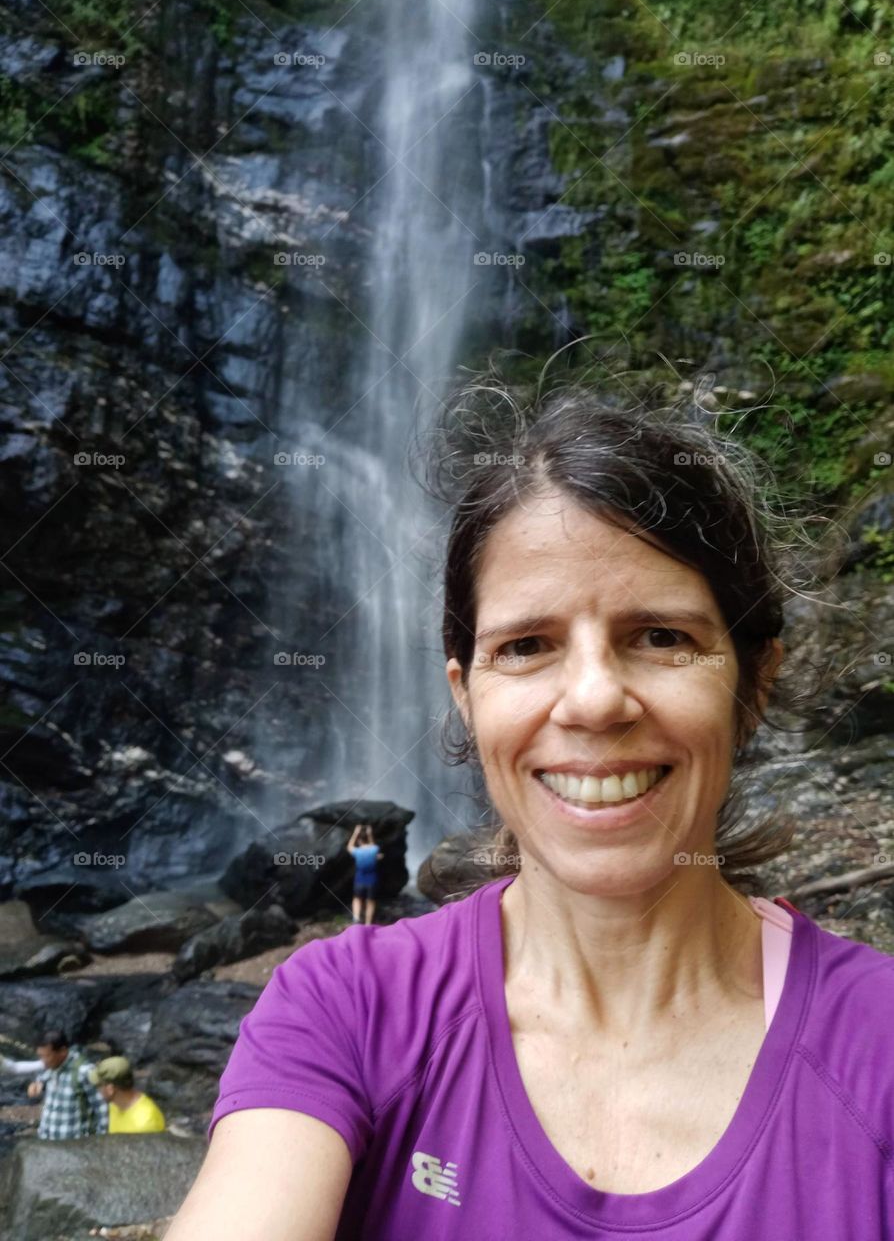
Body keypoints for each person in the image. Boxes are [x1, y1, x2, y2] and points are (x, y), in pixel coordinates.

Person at [164, 385, 894, 1240]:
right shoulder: (344, 1012)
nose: (593, 700)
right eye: (527, 646)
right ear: (465, 694)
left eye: (661, 636)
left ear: (755, 680)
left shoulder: (877, 1044)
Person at [24, 1028, 108, 1139]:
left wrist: (101, 1140)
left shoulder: (84, 1072)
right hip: (46, 1139)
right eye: (40, 1056)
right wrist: (37, 1084)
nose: (43, 1061)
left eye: (46, 1056)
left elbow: (102, 1109)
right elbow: (42, 1078)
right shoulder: (51, 1065)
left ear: (63, 1051)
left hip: (73, 1143)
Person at [88, 1055, 166, 1133]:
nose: (98, 1090)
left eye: (98, 1086)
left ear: (110, 1089)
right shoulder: (115, 1104)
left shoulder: (146, 1123)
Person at [346, 823, 383, 924]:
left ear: (359, 840)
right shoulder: (374, 849)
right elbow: (373, 845)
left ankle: (356, 918)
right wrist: (370, 834)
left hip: (359, 880)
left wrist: (355, 833)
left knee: (357, 899)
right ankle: (368, 923)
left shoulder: (357, 851)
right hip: (372, 881)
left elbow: (349, 847)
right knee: (370, 901)